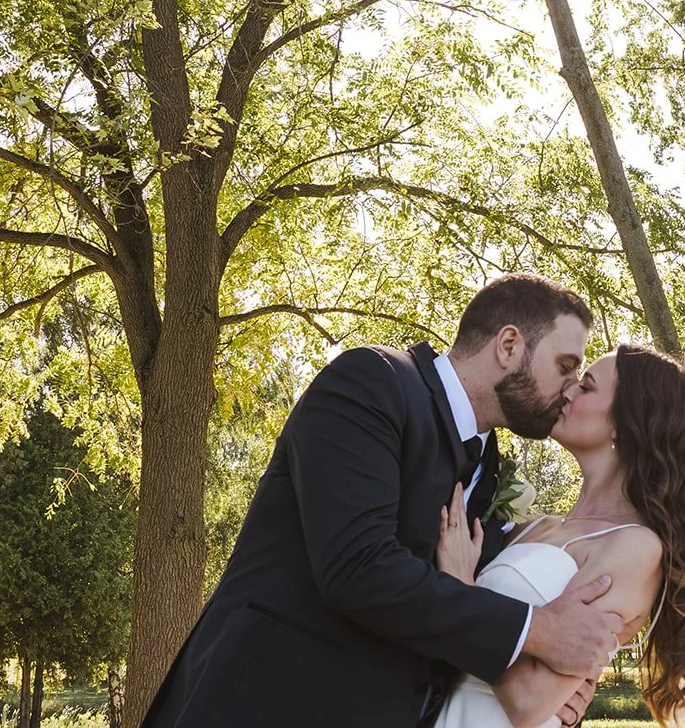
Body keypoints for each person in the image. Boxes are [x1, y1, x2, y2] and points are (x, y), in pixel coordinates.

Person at [139, 273, 623, 728]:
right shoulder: (372, 383)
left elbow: (452, 619)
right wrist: (541, 632)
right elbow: (358, 568)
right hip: (267, 703)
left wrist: (552, 691)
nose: (571, 389)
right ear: (509, 344)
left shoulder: (490, 468)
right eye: (566, 366)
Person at [433, 344, 685, 728]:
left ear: (627, 424)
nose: (567, 388)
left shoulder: (634, 549)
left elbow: (528, 704)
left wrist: (459, 592)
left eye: (587, 385)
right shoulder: (529, 526)